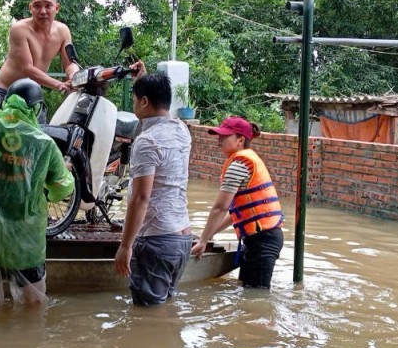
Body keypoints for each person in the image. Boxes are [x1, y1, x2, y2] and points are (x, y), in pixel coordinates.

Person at [0, 78, 75, 309]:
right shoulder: (45, 144)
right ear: (36, 108)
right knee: (34, 306)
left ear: (6, 103)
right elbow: (61, 189)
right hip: (26, 240)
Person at [114, 61, 193, 306]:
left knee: (147, 316)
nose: (134, 103)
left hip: (157, 241)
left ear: (144, 102)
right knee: (164, 308)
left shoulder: (147, 141)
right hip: (182, 239)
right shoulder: (182, 130)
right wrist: (143, 79)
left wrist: (125, 246)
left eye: (136, 99)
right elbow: (158, 113)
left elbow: (141, 198)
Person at [191, 116, 285, 289]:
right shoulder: (246, 160)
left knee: (256, 298)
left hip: (262, 241)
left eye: (225, 136)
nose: (219, 139)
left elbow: (220, 207)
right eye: (219, 135)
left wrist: (203, 240)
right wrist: (209, 235)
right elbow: (236, 213)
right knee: (249, 294)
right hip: (262, 239)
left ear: (240, 140)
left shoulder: (239, 164)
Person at [0, 0, 82, 122]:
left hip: (33, 94)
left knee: (38, 139)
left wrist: (74, 76)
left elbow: (69, 64)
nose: (43, 11)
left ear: (56, 8)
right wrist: (58, 84)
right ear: (30, 8)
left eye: (48, 6)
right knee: (7, 141)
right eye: (37, 6)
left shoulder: (63, 31)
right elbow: (27, 68)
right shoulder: (19, 29)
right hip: (8, 93)